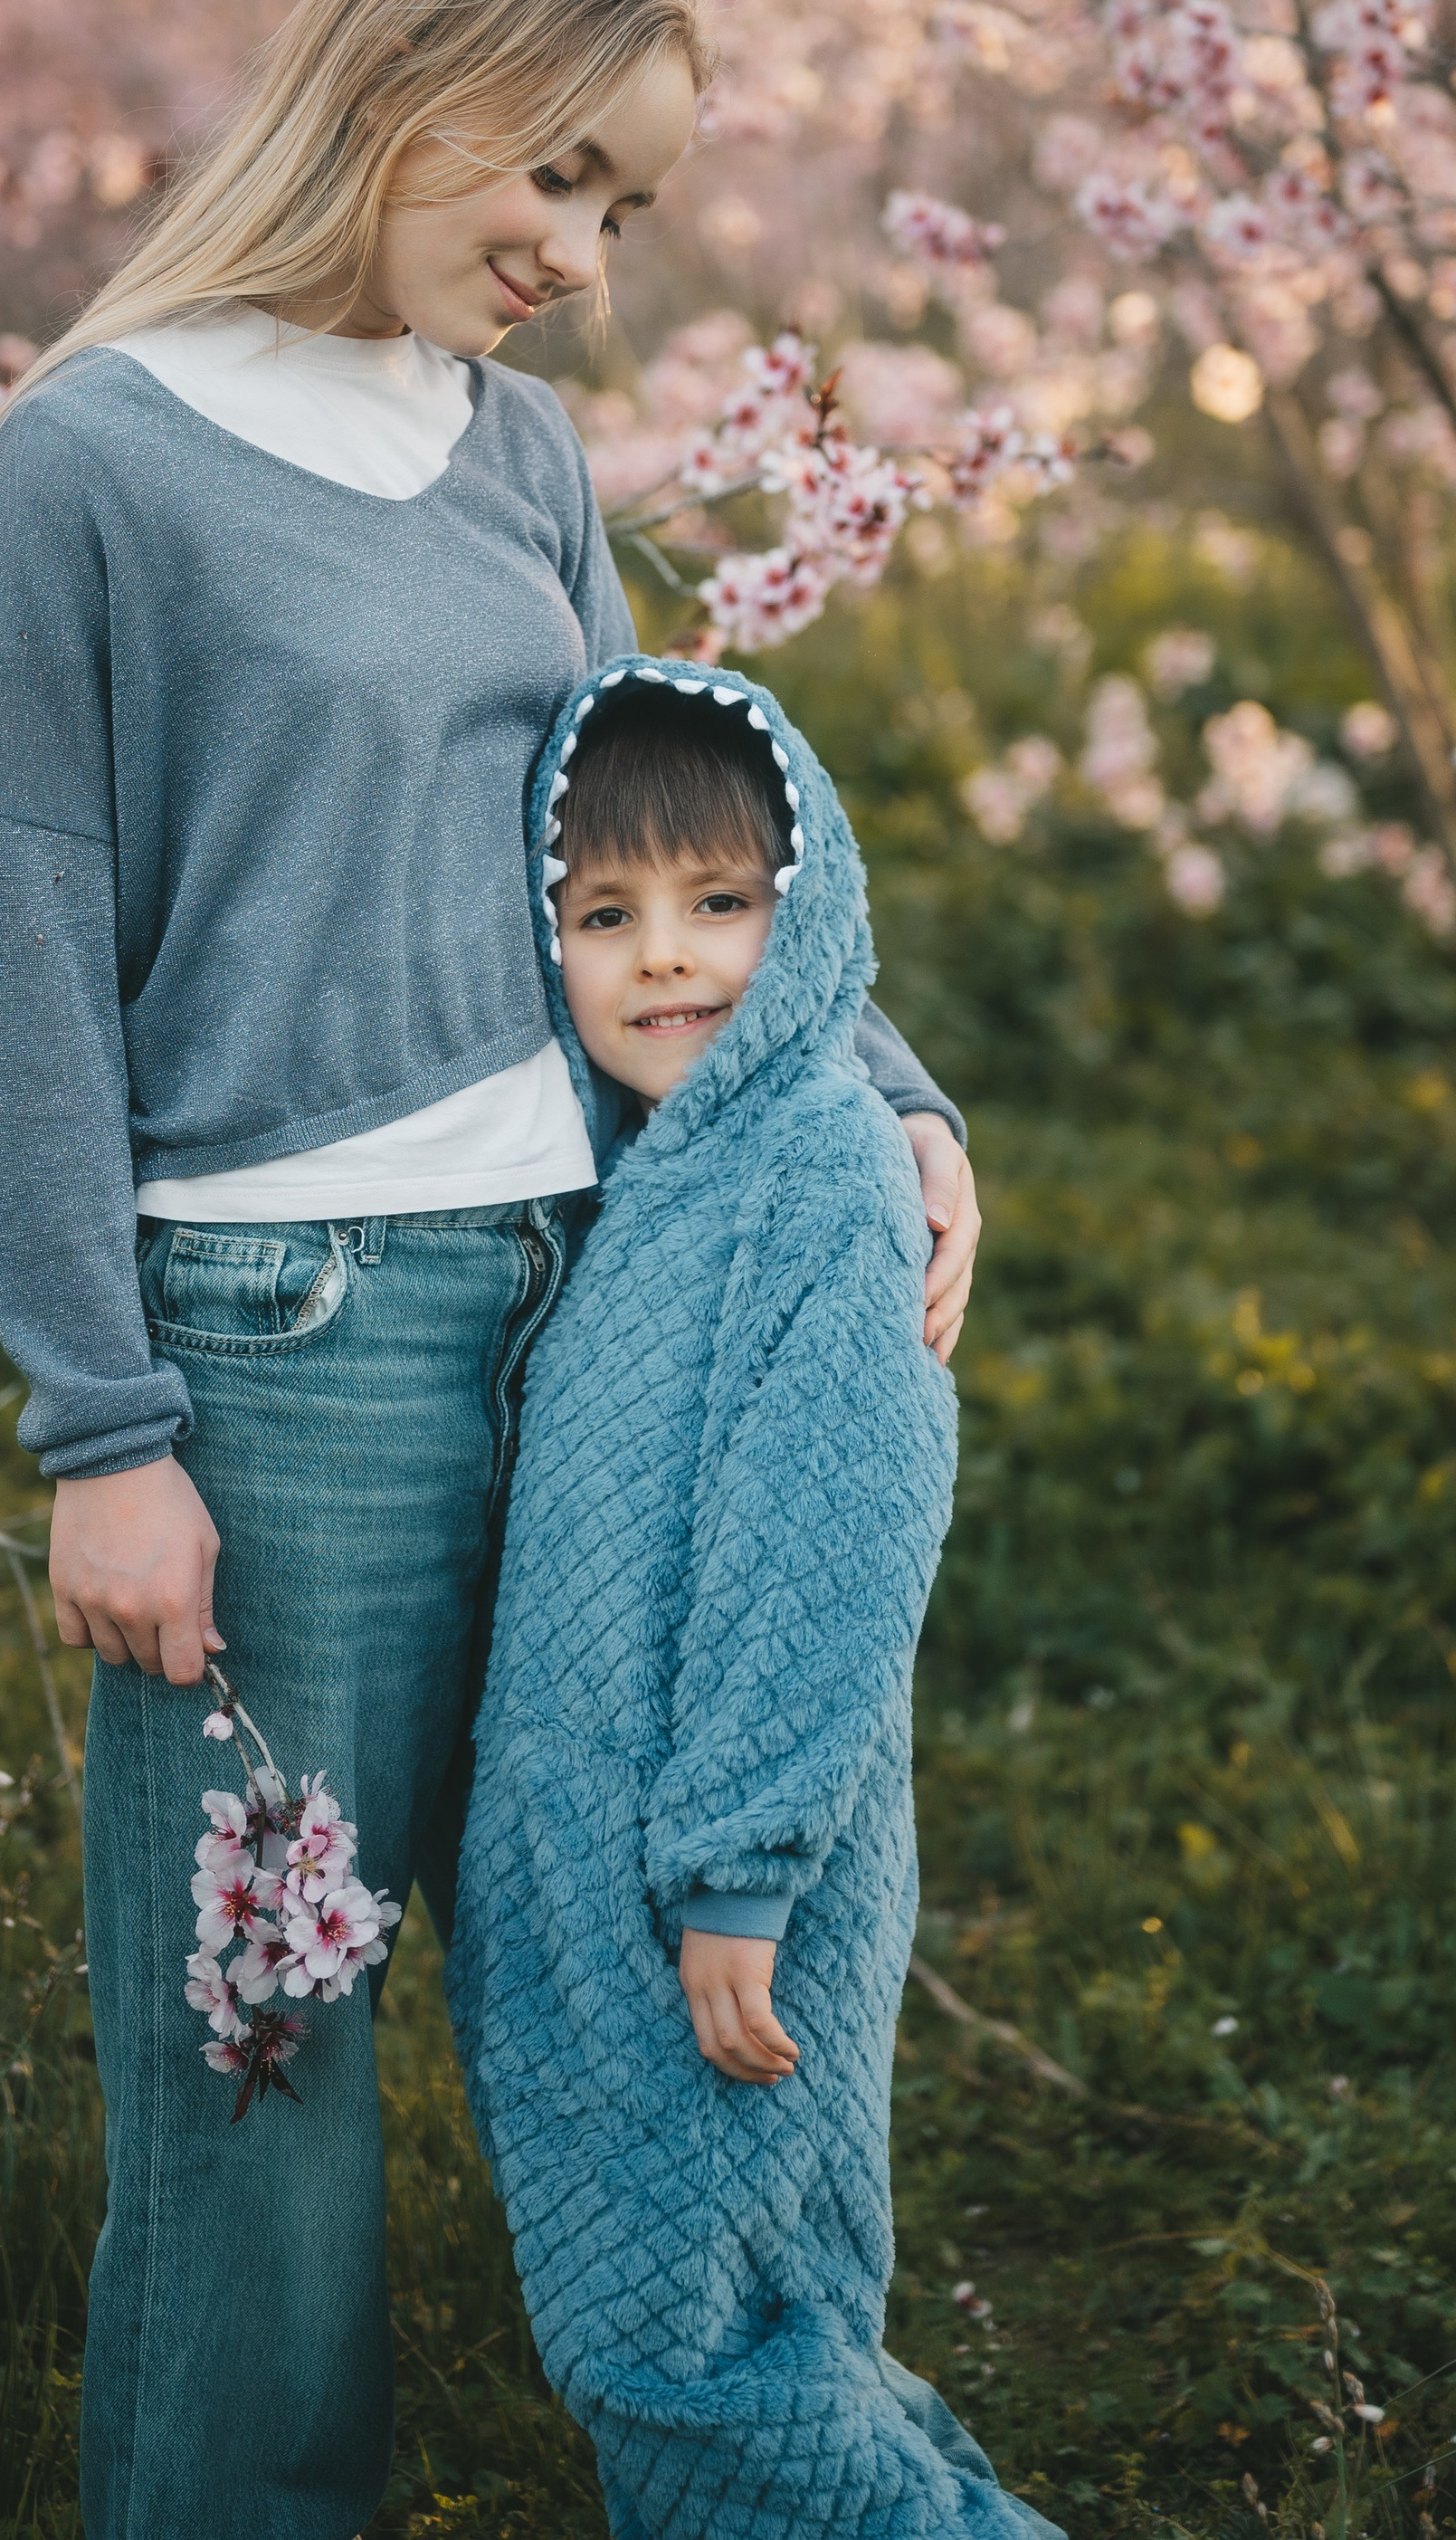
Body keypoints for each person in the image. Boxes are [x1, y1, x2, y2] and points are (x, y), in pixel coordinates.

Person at [0, 0, 984, 2540]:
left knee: (653, 1961)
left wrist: (884, 1084)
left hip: (594, 1305)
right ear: (411, 77)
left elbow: (656, 826)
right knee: (261, 2041)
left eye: (624, 208)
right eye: (558, 174)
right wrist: (101, 1425)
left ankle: (756, 2439)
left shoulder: (518, 454)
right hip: (288, 1354)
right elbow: (32, 951)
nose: (581, 257)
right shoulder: (95, 462)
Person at [449, 663, 1061, 2539]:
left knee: (673, 2338)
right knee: (742, 2293)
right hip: (612, 1855)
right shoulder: (647, 1163)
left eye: (722, 904)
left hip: (729, 1869)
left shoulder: (816, 1169)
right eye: (604, 916)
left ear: (812, 916)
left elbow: (829, 1544)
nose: (668, 964)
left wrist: (738, 1869)